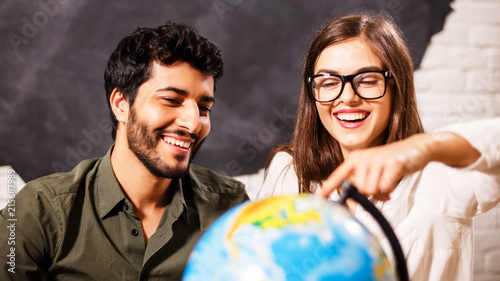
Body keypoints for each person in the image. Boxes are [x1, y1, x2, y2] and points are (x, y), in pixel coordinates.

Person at [242, 13, 500, 280]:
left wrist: (427, 147)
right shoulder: (289, 170)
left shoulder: (440, 176)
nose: (348, 97)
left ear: (396, 87)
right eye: (329, 82)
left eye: (367, 80)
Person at [0, 22, 248, 280]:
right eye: (172, 100)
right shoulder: (40, 211)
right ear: (121, 104)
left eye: (204, 108)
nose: (194, 123)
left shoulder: (230, 209)